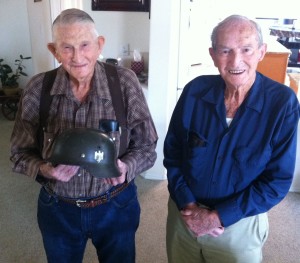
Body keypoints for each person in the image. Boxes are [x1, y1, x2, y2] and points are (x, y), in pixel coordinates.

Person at [10, 8, 158, 263]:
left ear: (99, 45)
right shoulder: (37, 89)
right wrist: (45, 169)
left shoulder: (124, 82)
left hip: (116, 205)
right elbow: (18, 154)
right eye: (66, 48)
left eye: (85, 45)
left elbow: (147, 146)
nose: (78, 56)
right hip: (58, 209)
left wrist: (126, 167)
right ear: (54, 50)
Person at [163, 14, 300, 263]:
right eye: (225, 50)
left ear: (261, 52)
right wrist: (188, 205)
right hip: (184, 215)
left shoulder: (282, 103)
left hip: (239, 223)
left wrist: (218, 216)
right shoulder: (195, 91)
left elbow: (277, 181)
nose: (236, 61)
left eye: (246, 49)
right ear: (213, 54)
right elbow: (173, 154)